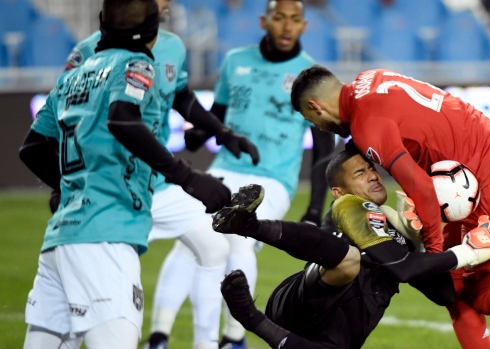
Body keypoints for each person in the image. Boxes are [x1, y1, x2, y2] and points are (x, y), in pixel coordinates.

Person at [289, 65, 490, 349]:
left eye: (312, 120)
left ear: (316, 107)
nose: (319, 128)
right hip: (479, 168)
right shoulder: (369, 81)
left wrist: (434, 255)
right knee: (458, 294)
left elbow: (423, 188)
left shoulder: (366, 124)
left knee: (481, 293)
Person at [18, 0, 229, 348]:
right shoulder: (138, 62)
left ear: (102, 22)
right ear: (152, 31)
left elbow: (32, 148)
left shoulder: (73, 74)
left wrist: (67, 188)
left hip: (60, 240)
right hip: (107, 234)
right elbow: (122, 118)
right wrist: (188, 177)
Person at [63, 1, 260, 348]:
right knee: (92, 294)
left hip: (157, 180)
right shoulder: (90, 52)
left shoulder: (172, 46)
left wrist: (222, 132)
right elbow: (70, 118)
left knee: (214, 247)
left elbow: (182, 98)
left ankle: (205, 344)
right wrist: (60, 182)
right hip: (111, 185)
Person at [147, 1, 334, 348]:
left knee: (237, 237)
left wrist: (314, 208)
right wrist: (198, 134)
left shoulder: (311, 76)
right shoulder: (236, 61)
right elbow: (216, 116)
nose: (287, 27)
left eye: (295, 20)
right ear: (265, 21)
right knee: (192, 241)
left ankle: (233, 337)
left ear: (304, 26)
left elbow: (324, 150)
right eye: (280, 19)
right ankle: (159, 336)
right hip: (225, 170)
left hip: (273, 180)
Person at [210, 147, 490, 349]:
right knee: (349, 261)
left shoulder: (398, 227)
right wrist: (466, 252)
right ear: (338, 191)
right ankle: (250, 226)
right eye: (359, 174)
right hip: (304, 301)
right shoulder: (349, 204)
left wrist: (418, 244)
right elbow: (403, 270)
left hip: (337, 331)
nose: (371, 175)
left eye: (371, 169)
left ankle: (250, 317)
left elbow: (443, 294)